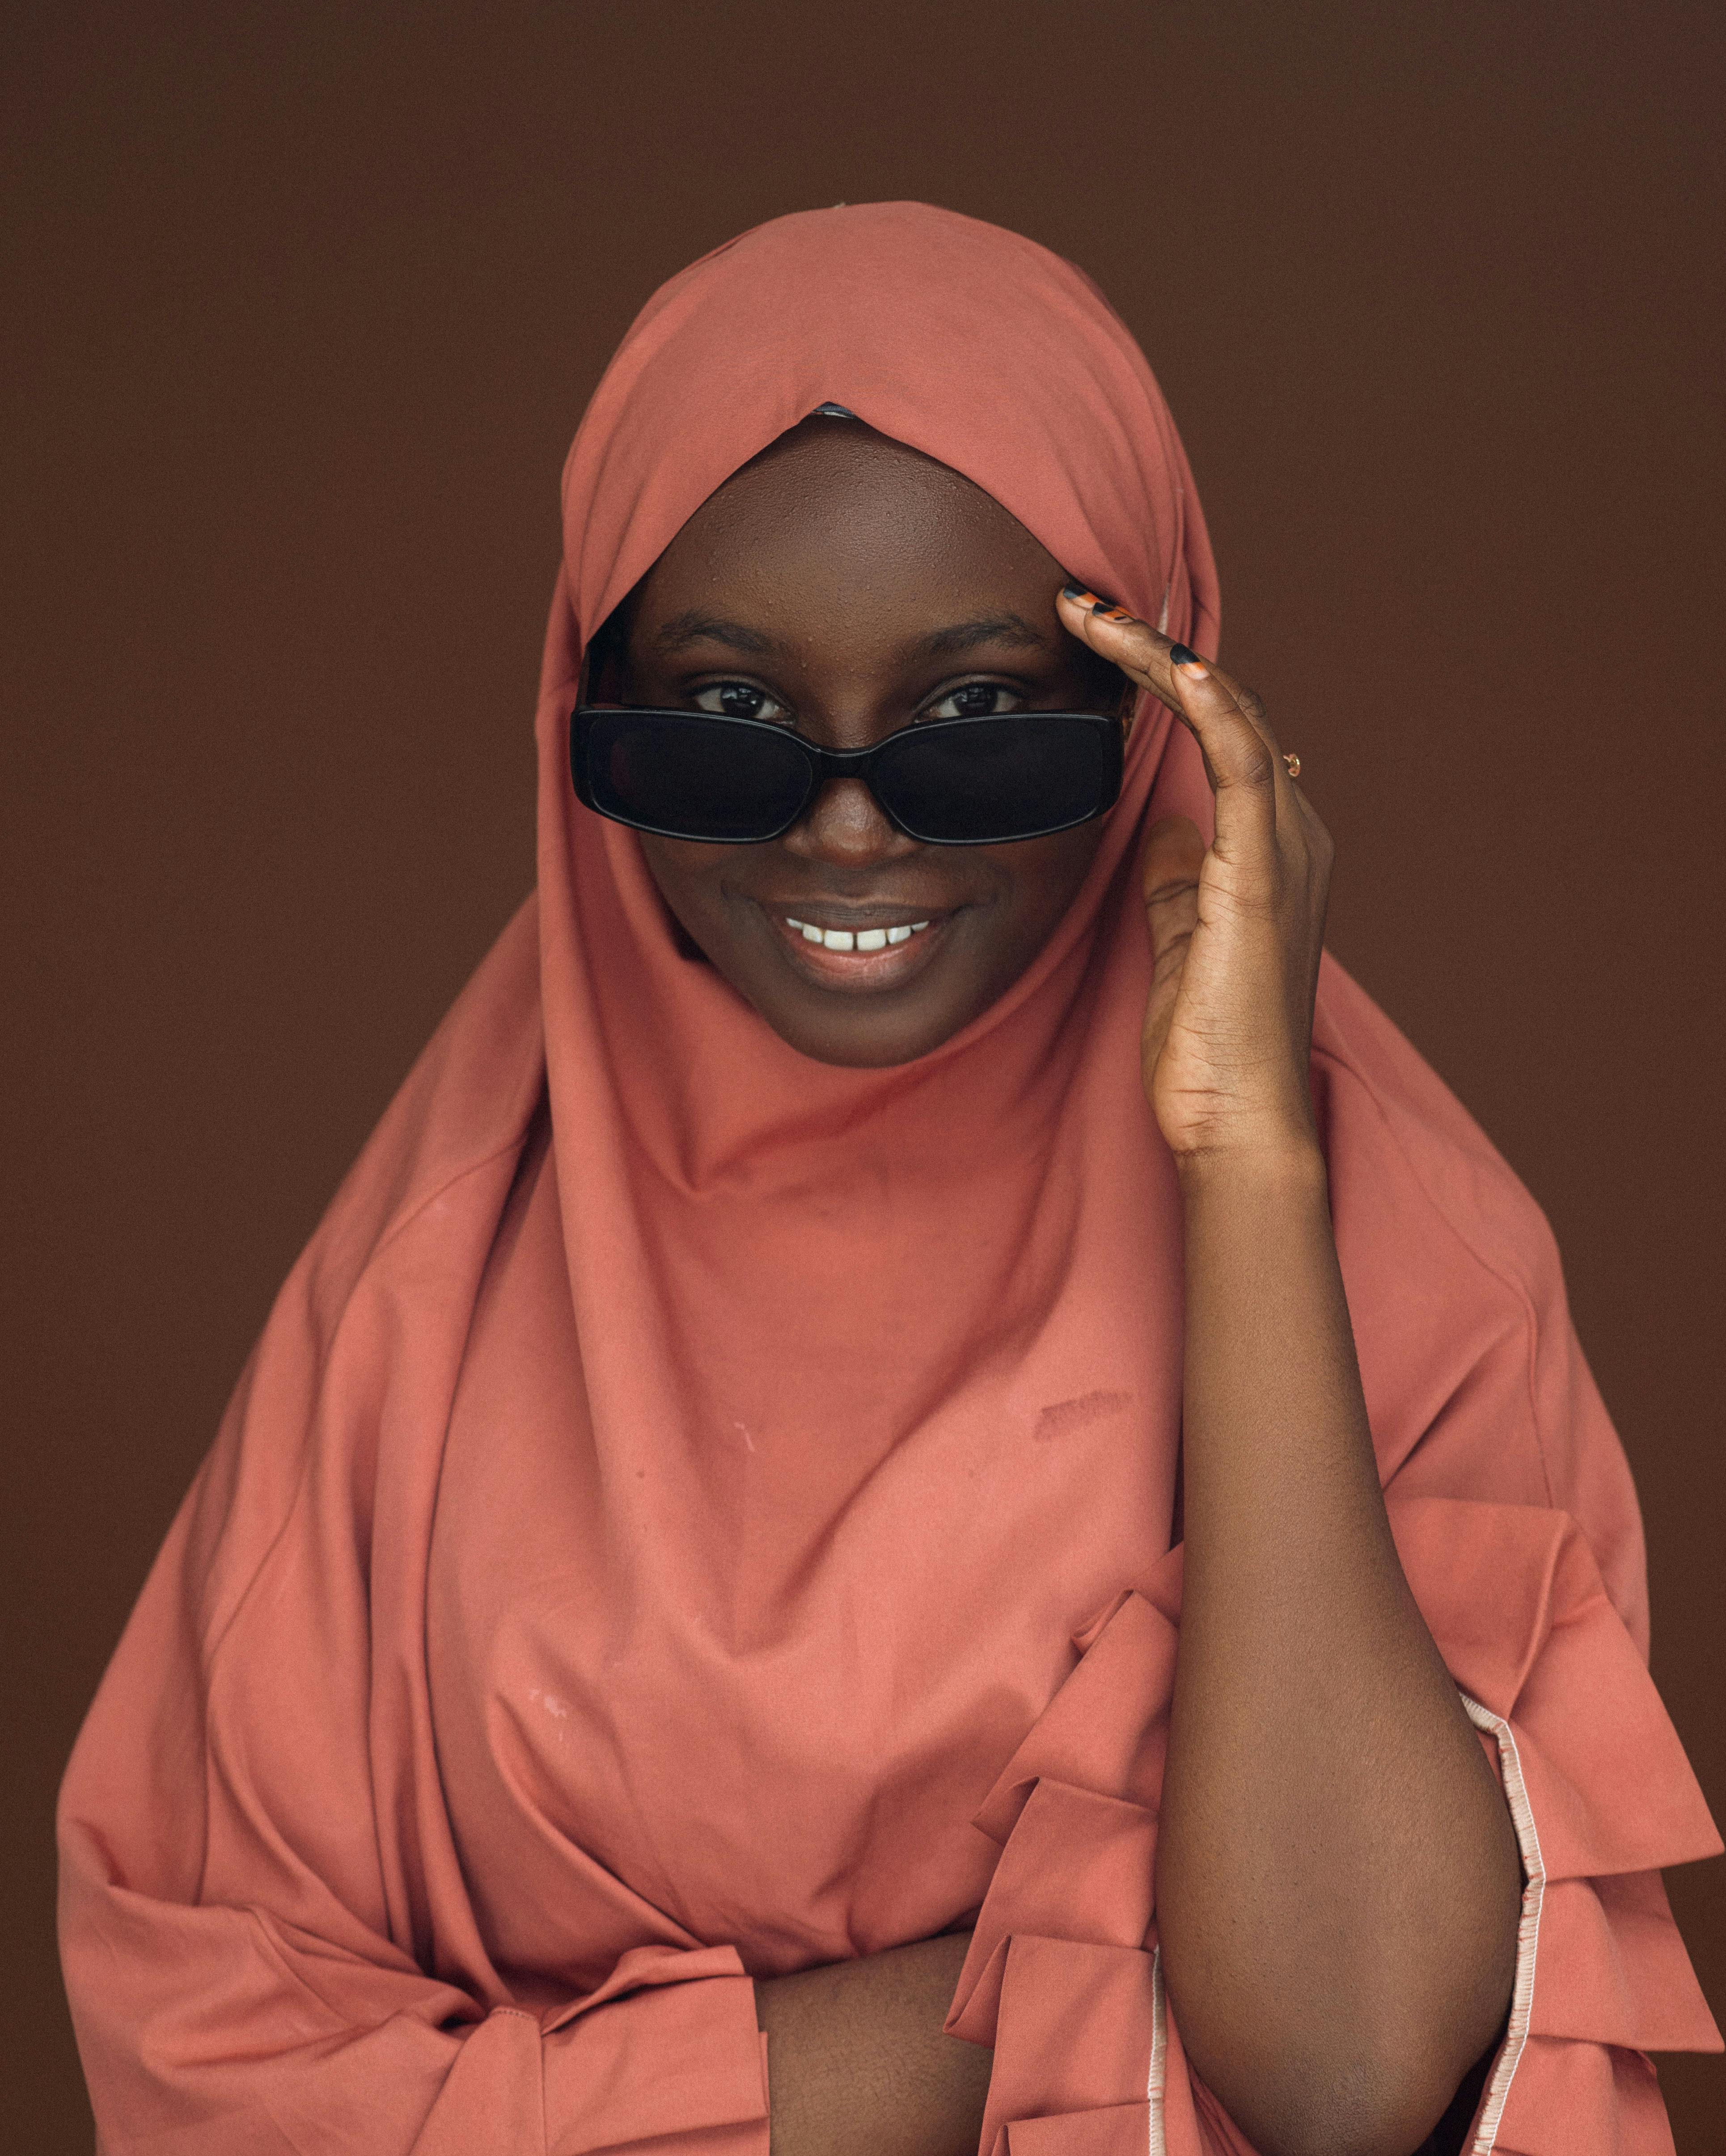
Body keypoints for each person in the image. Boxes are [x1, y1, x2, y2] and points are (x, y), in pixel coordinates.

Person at [58, 204, 1719, 2156]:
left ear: (1155, 720)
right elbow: (215, 2068)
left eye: (979, 726)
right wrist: (1077, 1999)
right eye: (722, 725)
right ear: (579, 710)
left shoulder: (1407, 1253)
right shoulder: (424, 1291)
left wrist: (1251, 1167)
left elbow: (1346, 2061)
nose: (848, 835)